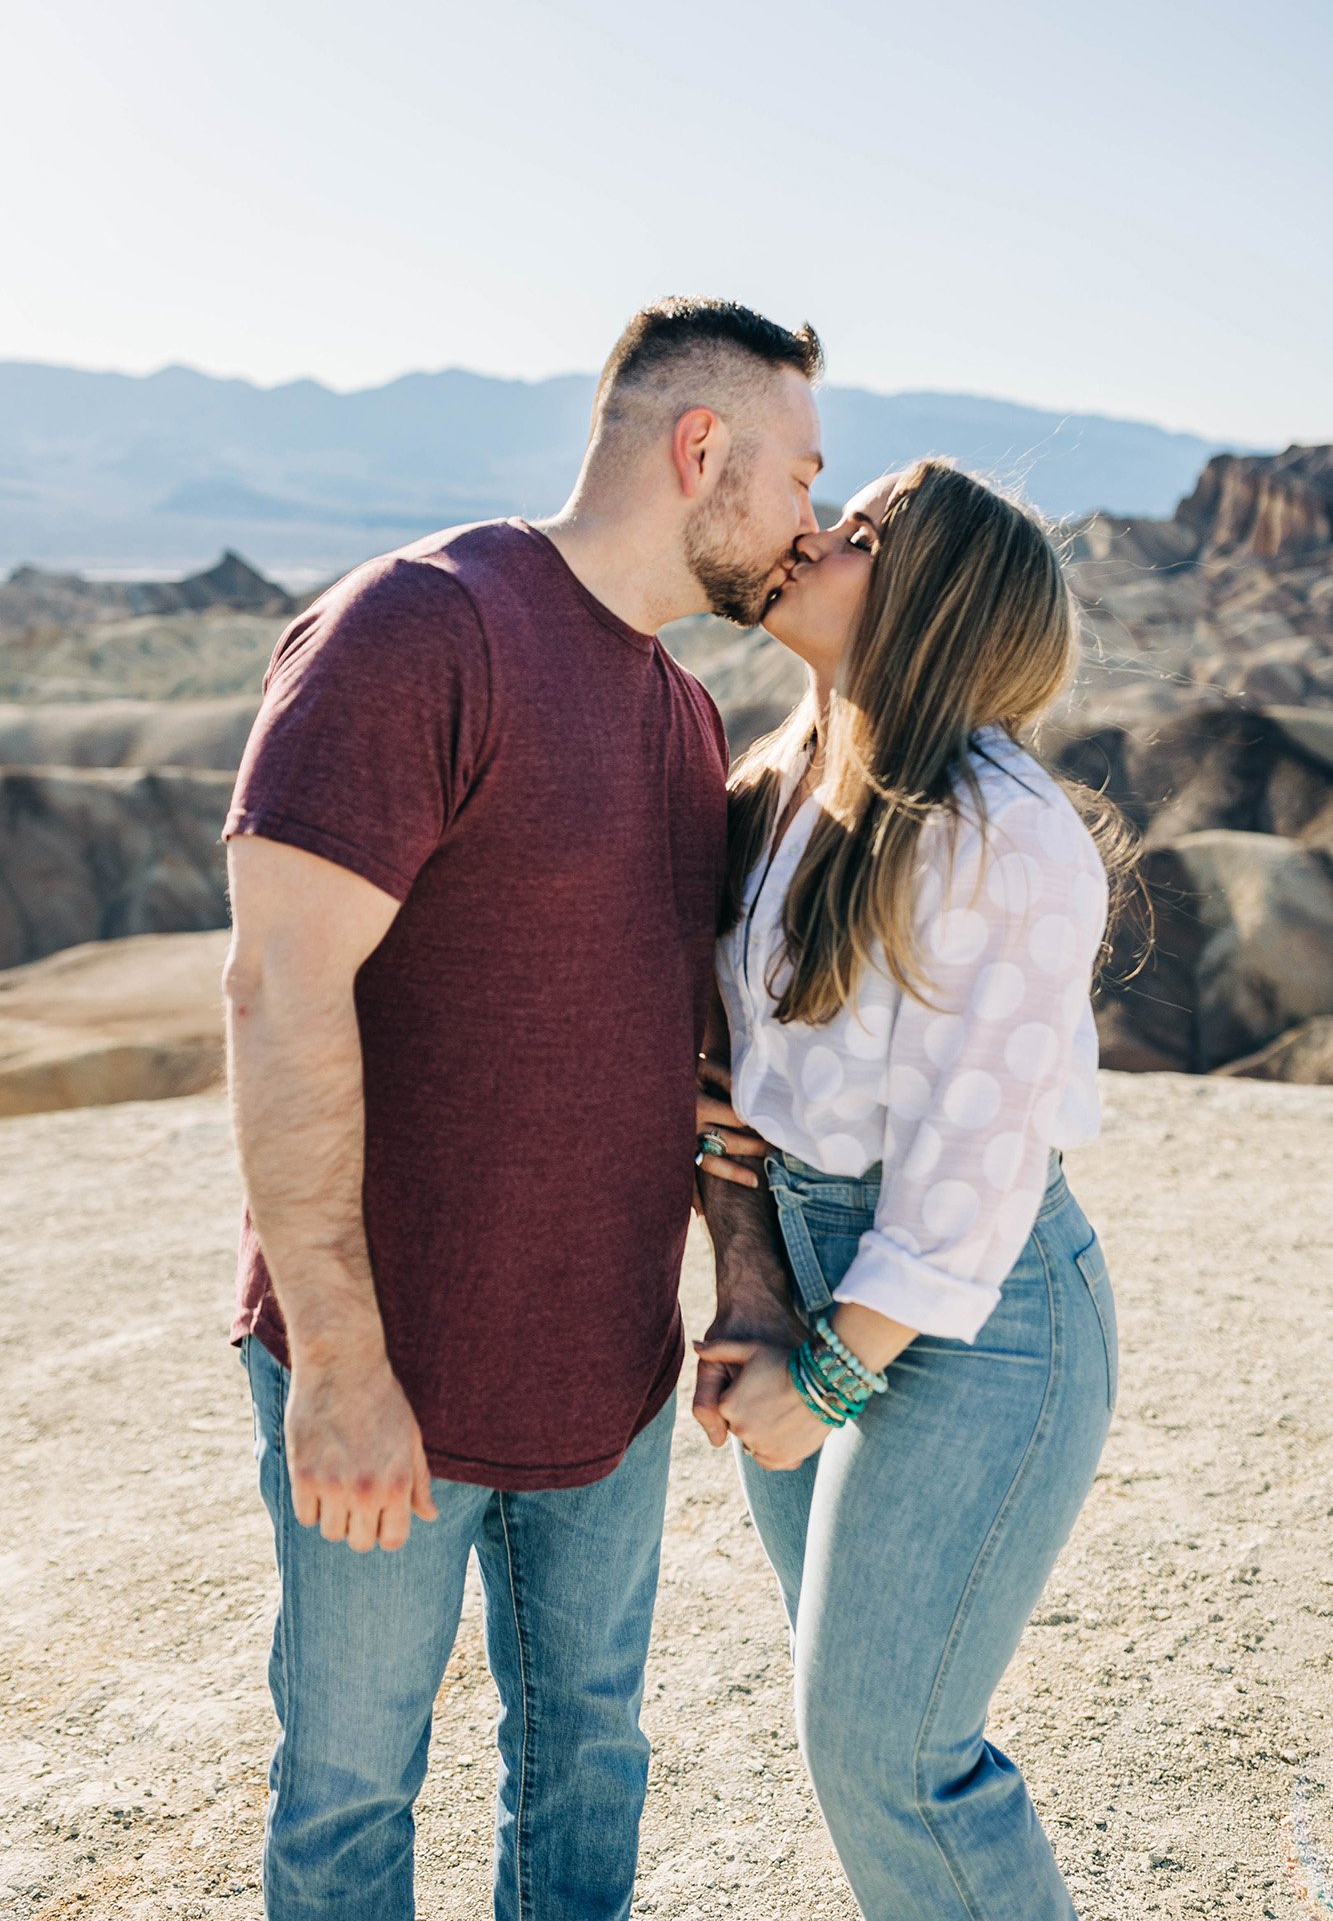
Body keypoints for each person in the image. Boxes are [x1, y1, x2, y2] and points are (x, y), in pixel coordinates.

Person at [221, 295, 824, 1921]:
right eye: (795, 478)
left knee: (591, 1761)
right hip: (390, 1387)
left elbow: (689, 1050)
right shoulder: (420, 629)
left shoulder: (684, 716)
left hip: (605, 1390)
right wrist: (341, 1368)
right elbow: (281, 992)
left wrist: (747, 1283)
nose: (806, 526)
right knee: (352, 1792)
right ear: (700, 451)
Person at [691, 458, 1131, 1920]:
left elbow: (969, 1181)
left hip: (974, 1320)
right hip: (822, 1283)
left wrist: (819, 1377)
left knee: (887, 1752)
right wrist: (752, 1282)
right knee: (850, 1741)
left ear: (935, 601)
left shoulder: (1003, 837)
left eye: (865, 535)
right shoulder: (783, 785)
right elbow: (734, 1100)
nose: (816, 535)